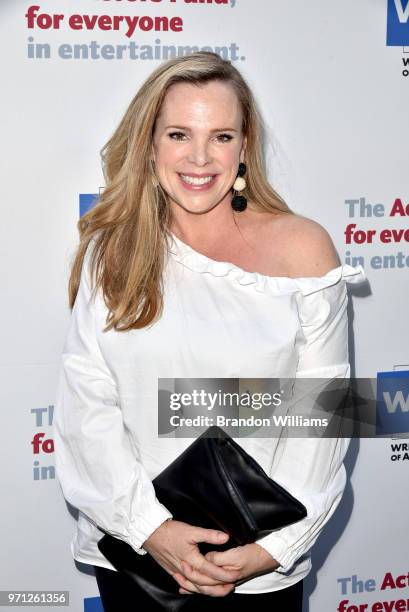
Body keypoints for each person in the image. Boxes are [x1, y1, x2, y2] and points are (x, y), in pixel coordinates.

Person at [53, 51, 365, 611]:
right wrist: (151, 529)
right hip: (138, 558)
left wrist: (273, 546)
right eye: (178, 133)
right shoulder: (113, 251)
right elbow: (86, 408)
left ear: (244, 147)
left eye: (221, 135)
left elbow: (324, 414)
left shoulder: (303, 249)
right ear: (149, 144)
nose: (200, 157)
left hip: (259, 563)